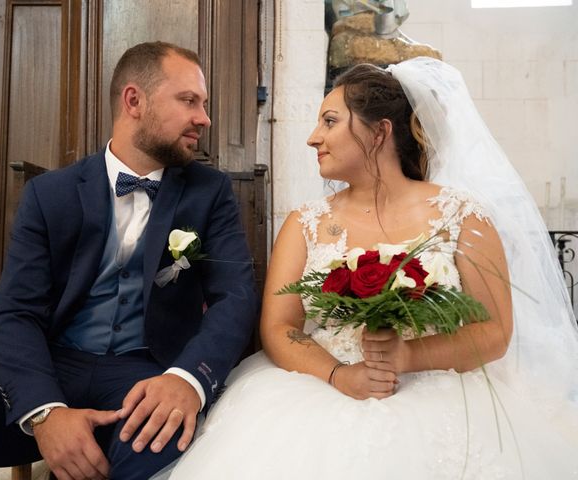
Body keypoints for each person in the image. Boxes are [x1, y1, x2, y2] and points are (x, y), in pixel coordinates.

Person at [156, 57, 578, 479]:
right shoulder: (305, 223)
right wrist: (339, 375)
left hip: (443, 392)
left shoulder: (461, 214)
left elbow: (494, 331)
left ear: (379, 133)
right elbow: (280, 327)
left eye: (329, 121)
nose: (312, 137)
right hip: (320, 390)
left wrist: (407, 355)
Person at [0, 41, 258, 480]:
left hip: (148, 374)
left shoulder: (211, 191)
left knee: (152, 452)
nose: (204, 118)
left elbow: (235, 298)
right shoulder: (50, 194)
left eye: (203, 104)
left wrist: (186, 378)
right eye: (189, 101)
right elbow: (15, 313)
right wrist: (45, 412)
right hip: (53, 365)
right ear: (134, 101)